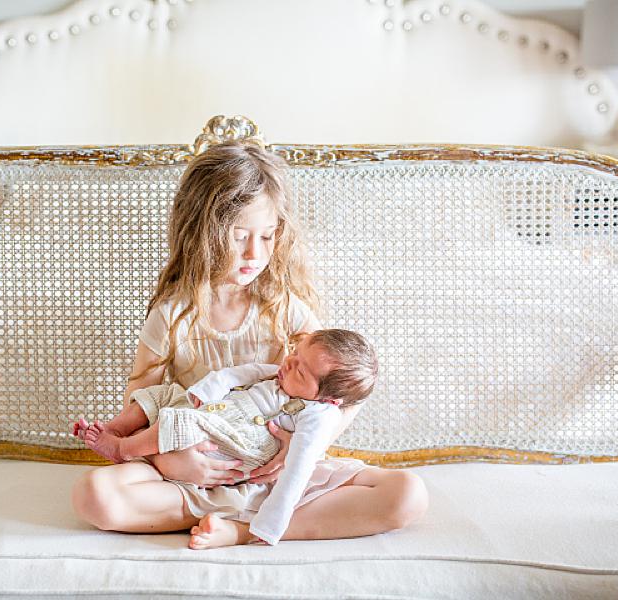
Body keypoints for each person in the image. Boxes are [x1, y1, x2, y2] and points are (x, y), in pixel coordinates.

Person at [71, 141, 427, 549]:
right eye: (239, 236)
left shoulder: (286, 310)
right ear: (201, 233)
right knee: (93, 495)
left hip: (272, 469)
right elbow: (141, 397)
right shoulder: (172, 315)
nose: (254, 253)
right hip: (195, 465)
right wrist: (168, 459)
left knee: (406, 494)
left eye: (267, 236)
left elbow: (344, 392)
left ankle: (242, 529)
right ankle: (226, 511)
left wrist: (299, 450)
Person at [73, 329, 378, 546]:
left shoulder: (317, 415)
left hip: (238, 442)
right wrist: (199, 394)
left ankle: (122, 448)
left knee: (184, 424)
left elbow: (297, 473)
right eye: (295, 353)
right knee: (164, 396)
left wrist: (270, 525)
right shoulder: (281, 374)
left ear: (329, 400)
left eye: (302, 371)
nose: (288, 364)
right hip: (209, 416)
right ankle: (115, 430)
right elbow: (233, 375)